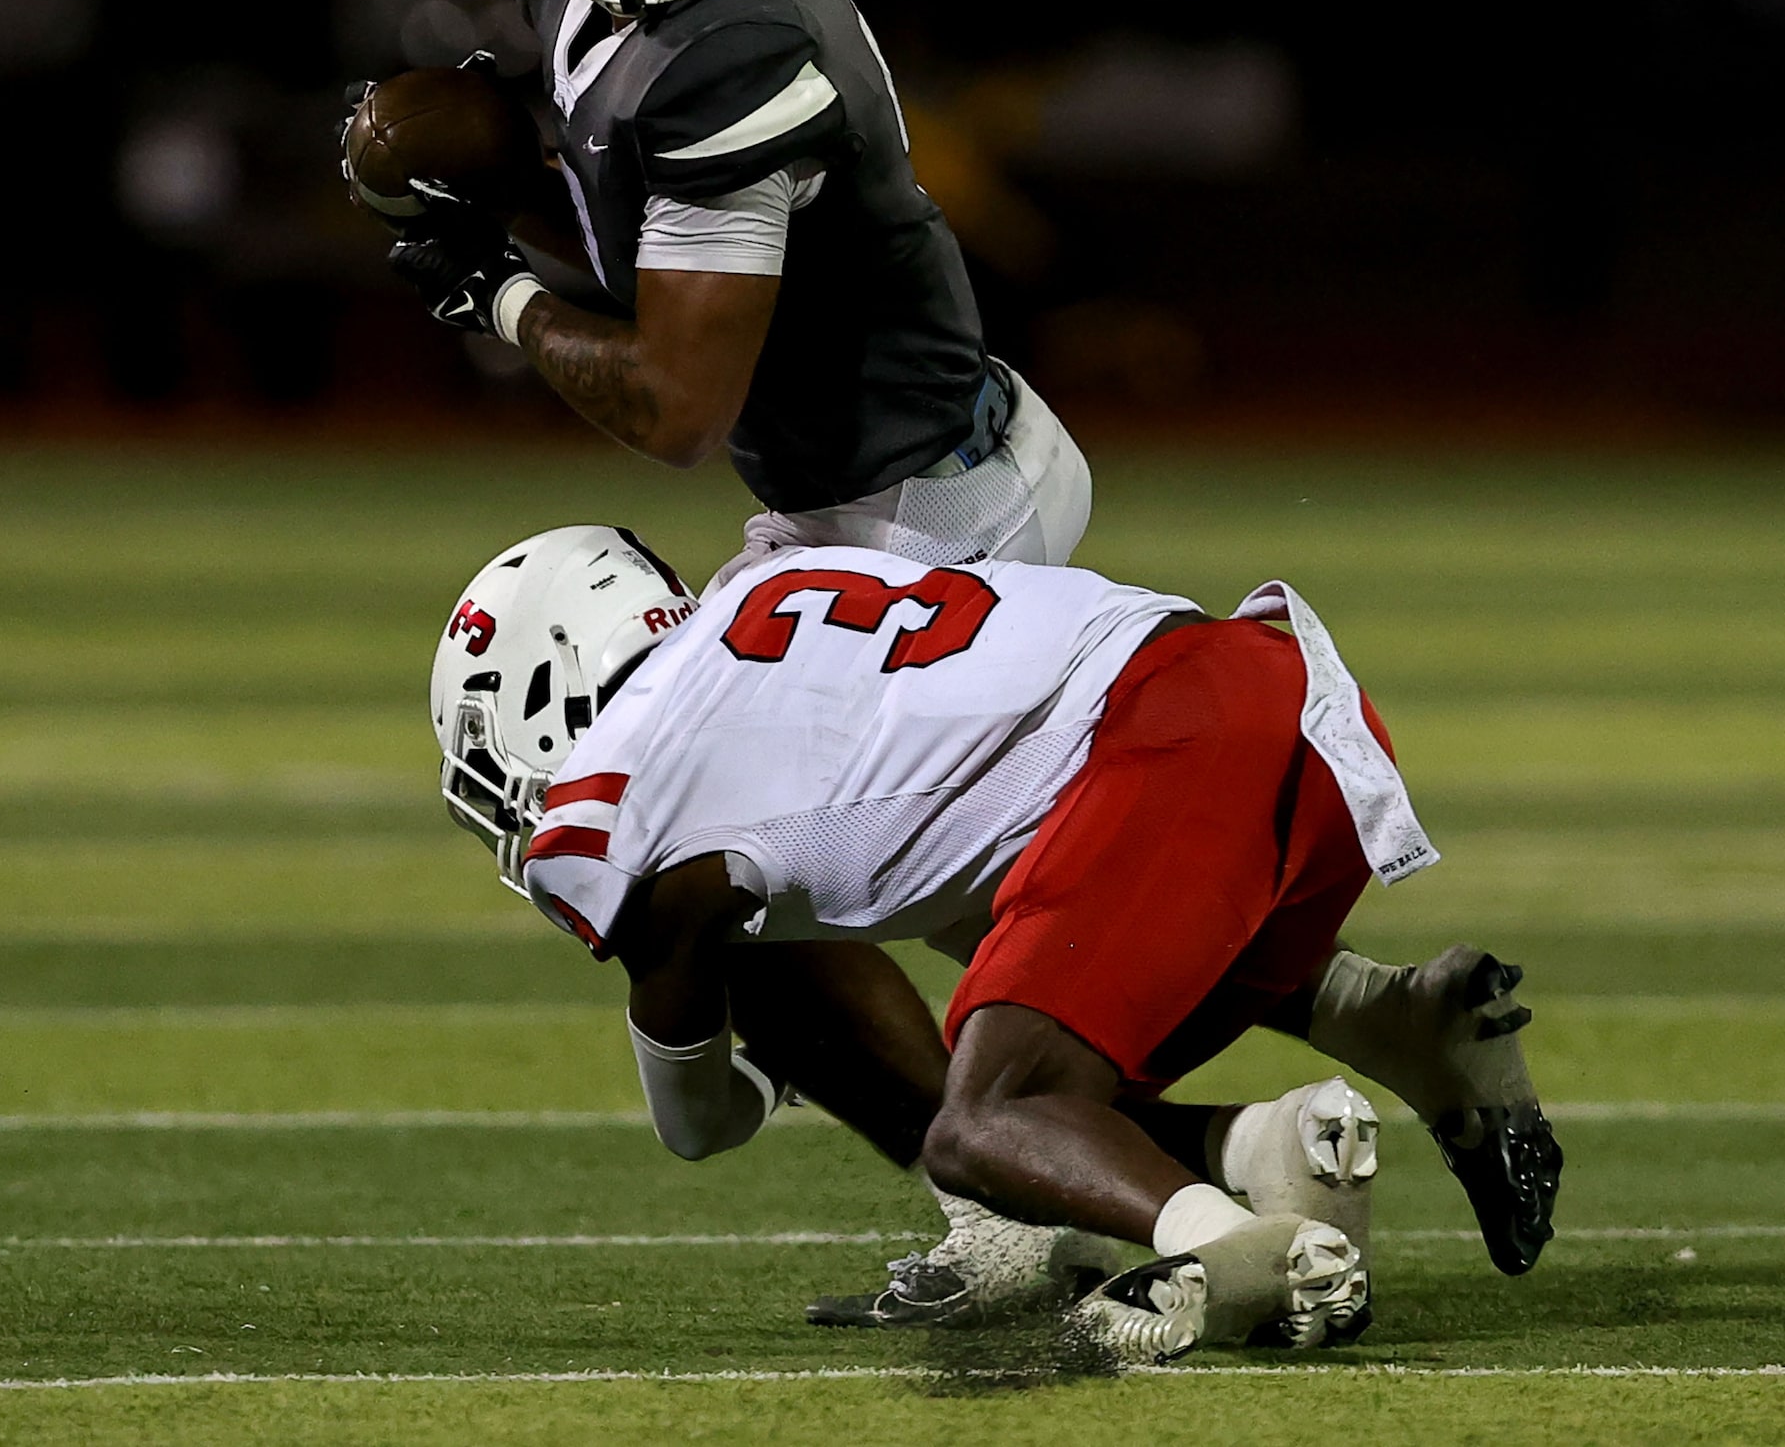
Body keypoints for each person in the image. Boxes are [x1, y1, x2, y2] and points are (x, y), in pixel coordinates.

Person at [427, 525, 1563, 1363]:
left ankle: (1248, 1249)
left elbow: (698, 1126)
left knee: (980, 1126)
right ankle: (1357, 1045)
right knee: (1038, 1068)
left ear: (545, 678)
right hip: (1290, 708)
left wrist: (739, 1051)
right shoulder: (762, 586)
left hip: (1175, 748)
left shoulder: (612, 797)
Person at [363, 0, 1090, 587]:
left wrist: (498, 294)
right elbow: (650, 259)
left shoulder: (738, 54)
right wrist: (502, 194)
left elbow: (676, 410)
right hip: (850, 496)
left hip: (935, 519)